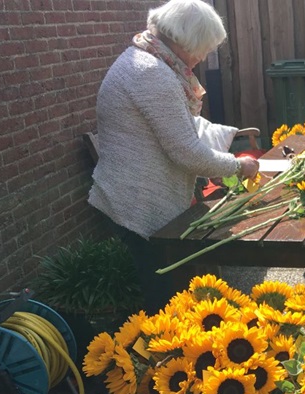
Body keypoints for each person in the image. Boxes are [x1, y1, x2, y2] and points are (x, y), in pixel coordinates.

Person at [87, 0, 258, 313]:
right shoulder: (152, 73)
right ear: (185, 40)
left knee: (175, 288)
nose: (203, 58)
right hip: (139, 204)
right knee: (166, 298)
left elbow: (180, 133)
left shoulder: (147, 60)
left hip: (139, 196)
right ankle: (167, 358)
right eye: (202, 49)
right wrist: (238, 165)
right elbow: (186, 151)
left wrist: (217, 156)